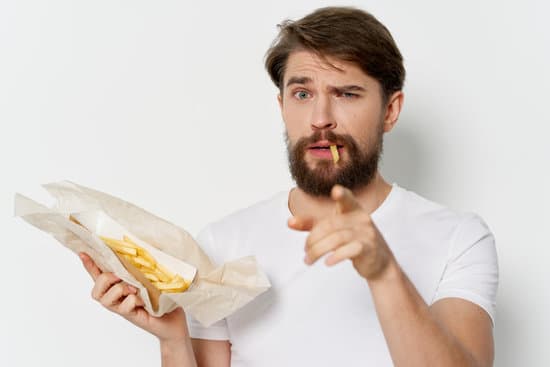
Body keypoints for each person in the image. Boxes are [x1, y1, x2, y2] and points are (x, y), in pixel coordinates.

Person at [79, 6, 498, 367]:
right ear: (281, 106)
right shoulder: (224, 243)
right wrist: (172, 341)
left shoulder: (458, 238)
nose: (320, 118)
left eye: (347, 94)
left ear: (390, 110)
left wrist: (385, 273)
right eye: (301, 93)